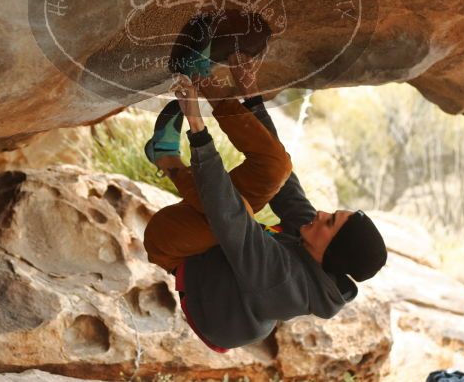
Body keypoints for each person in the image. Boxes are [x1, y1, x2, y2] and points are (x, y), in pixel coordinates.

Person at [142, 28, 388, 352]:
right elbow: (285, 183)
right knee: (277, 169)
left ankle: (169, 160)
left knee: (235, 210)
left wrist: (197, 127)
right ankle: (204, 81)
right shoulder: (314, 243)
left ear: (329, 254)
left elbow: (230, 217)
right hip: (226, 258)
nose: (322, 214)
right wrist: (252, 95)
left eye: (330, 223)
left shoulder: (283, 280)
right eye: (333, 214)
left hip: (181, 256)